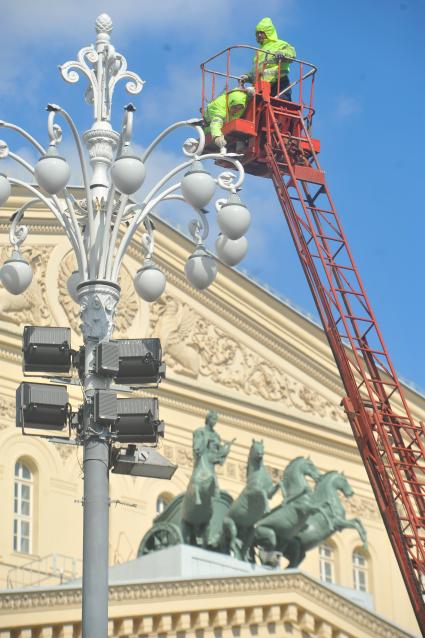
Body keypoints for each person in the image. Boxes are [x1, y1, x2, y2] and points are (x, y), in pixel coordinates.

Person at [241, 17, 296, 99]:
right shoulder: (258, 52)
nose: (259, 35)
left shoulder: (280, 44)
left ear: (268, 32)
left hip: (279, 82)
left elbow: (291, 53)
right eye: (257, 33)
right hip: (262, 86)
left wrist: (282, 53)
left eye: (261, 32)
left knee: (281, 103)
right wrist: (247, 76)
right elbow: (256, 70)